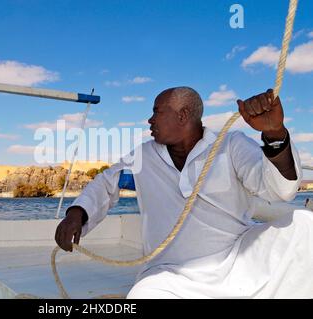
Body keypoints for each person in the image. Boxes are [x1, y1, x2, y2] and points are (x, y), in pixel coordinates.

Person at [55, 87, 313, 298]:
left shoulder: (230, 145)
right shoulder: (144, 155)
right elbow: (106, 183)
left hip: (238, 261)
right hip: (169, 276)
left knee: (304, 225)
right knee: (144, 296)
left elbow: (280, 191)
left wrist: (275, 134)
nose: (150, 120)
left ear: (183, 115)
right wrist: (76, 214)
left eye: (156, 111)